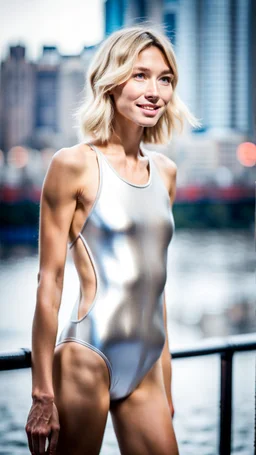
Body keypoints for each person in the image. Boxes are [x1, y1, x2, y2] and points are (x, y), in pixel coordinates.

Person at [25, 24, 200, 455]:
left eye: (165, 79)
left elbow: (155, 285)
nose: (155, 90)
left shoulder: (166, 173)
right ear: (111, 79)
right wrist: (42, 392)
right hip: (88, 355)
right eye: (140, 75)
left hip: (147, 366)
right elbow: (49, 283)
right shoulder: (73, 165)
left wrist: (168, 386)